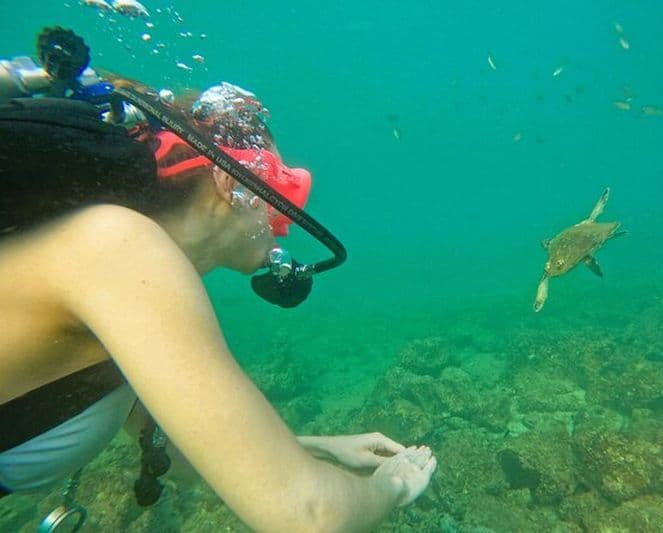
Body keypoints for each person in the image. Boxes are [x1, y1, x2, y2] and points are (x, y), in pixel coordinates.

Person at [0, 27, 436, 532]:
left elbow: (175, 449)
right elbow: (309, 517)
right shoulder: (116, 249)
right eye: (277, 191)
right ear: (232, 181)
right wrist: (394, 485)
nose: (284, 224)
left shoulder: (123, 263)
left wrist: (315, 451)